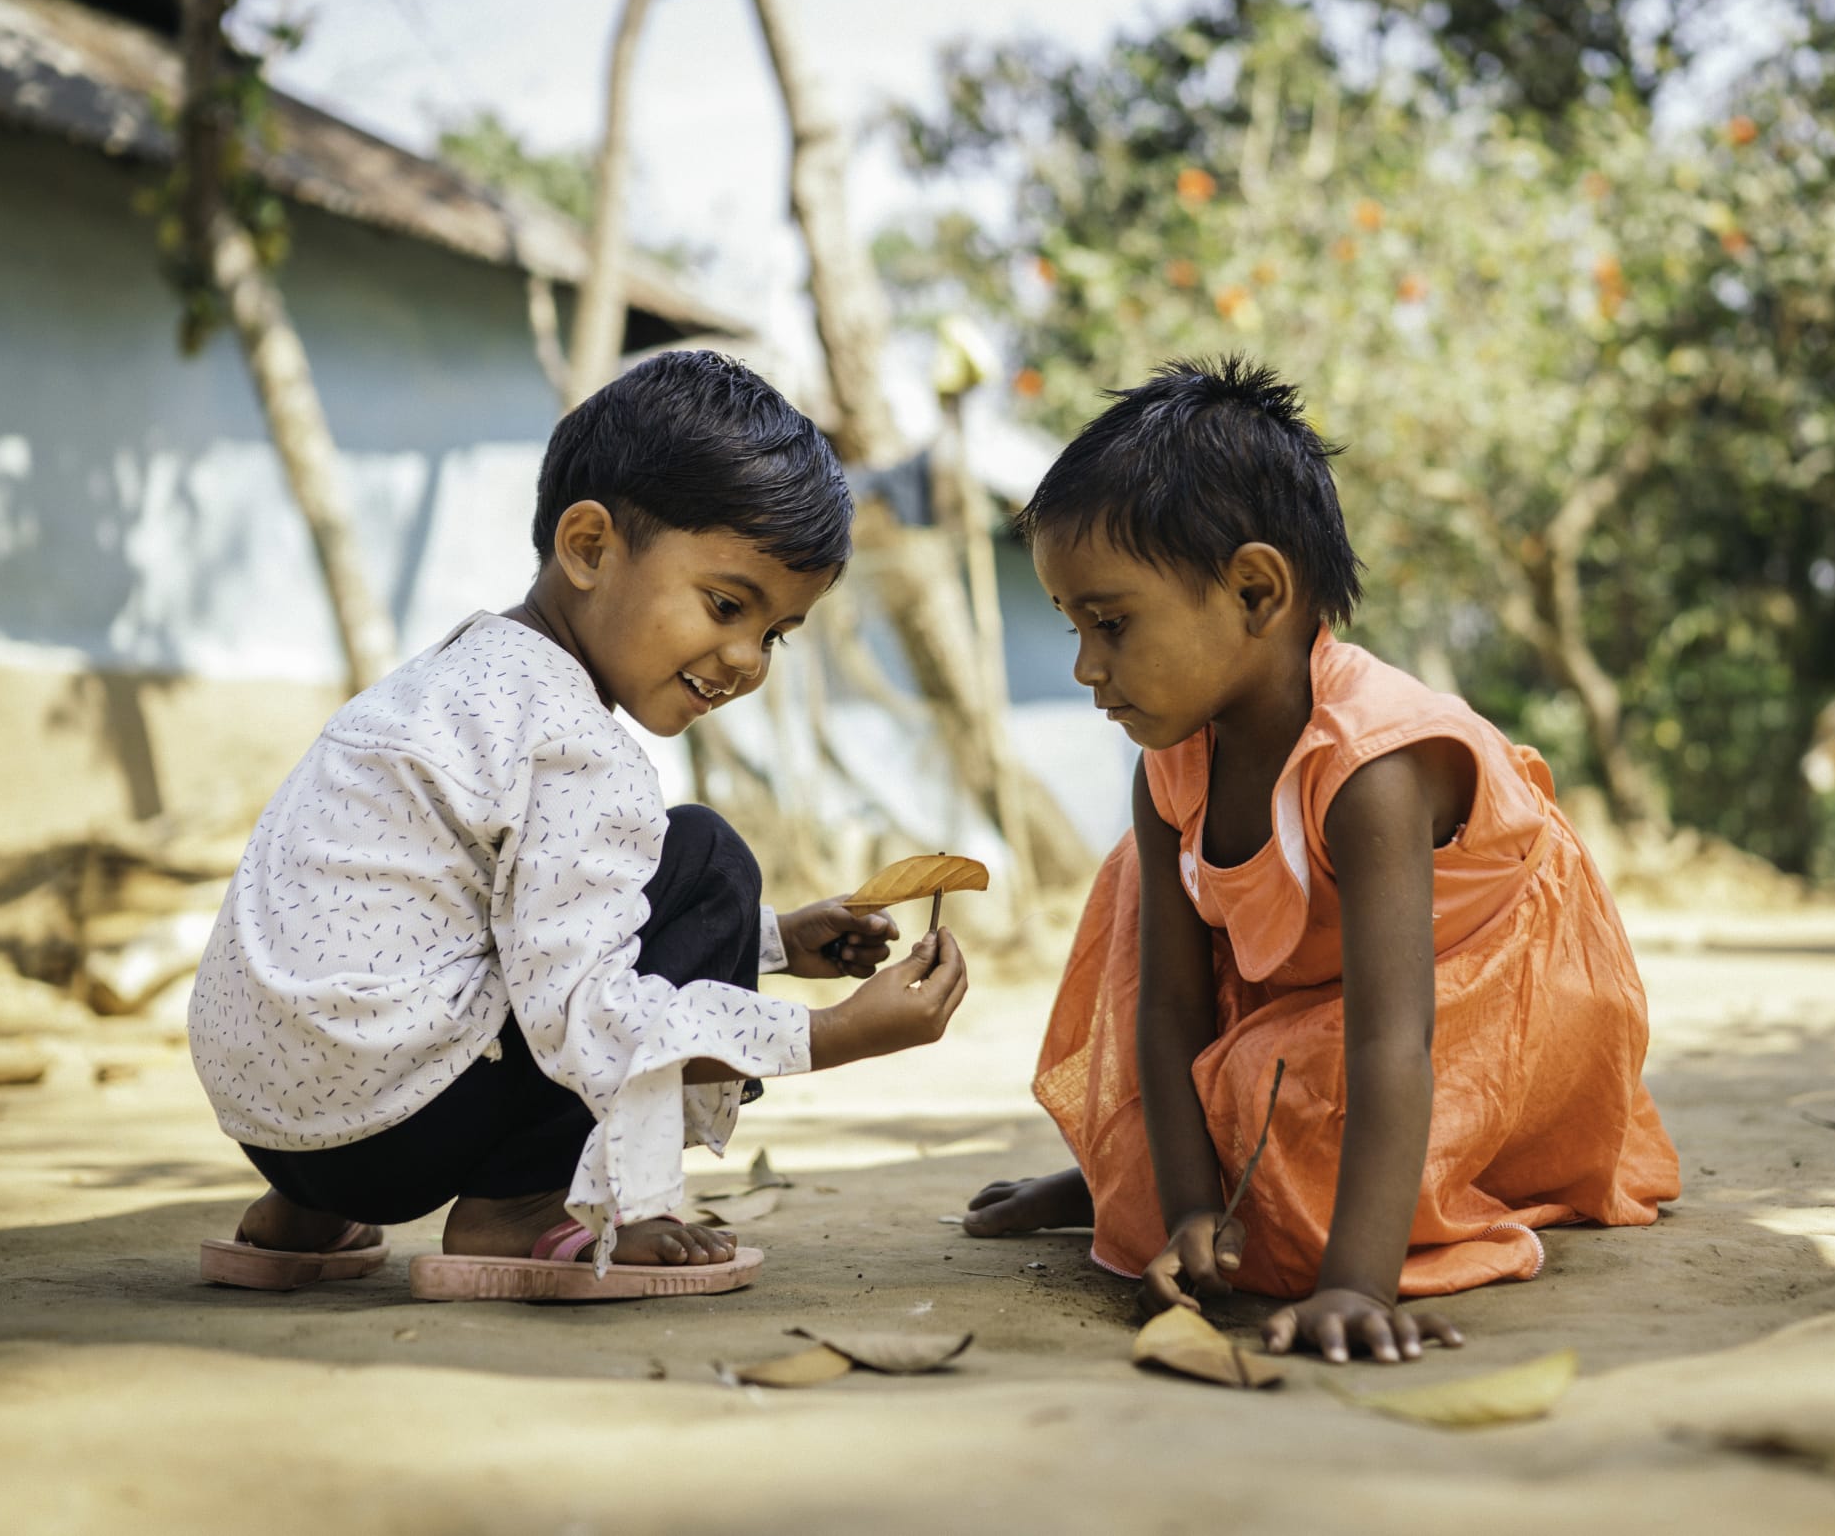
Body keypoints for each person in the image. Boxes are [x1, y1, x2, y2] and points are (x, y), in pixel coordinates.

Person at [190, 351, 968, 1302]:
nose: (745, 660)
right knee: (709, 856)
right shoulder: (578, 748)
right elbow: (587, 1013)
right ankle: (519, 1207)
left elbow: (494, 904)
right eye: (727, 605)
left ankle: (302, 1219)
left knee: (681, 866)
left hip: (276, 1120)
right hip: (399, 1129)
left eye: (773, 632)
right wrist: (835, 1032)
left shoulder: (457, 676)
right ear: (591, 546)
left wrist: (769, 941)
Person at [964, 358, 1678, 1363]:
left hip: (1493, 997)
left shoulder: (1369, 773)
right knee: (1135, 880)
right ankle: (1135, 1171)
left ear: (1256, 590)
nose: (1086, 666)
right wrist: (1185, 1215)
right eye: (1073, 625)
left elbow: (1395, 1039)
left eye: (1111, 622)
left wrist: (1354, 1283)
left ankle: (1198, 1174)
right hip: (1309, 989)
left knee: (1287, 1131)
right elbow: (1164, 1008)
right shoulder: (1169, 764)